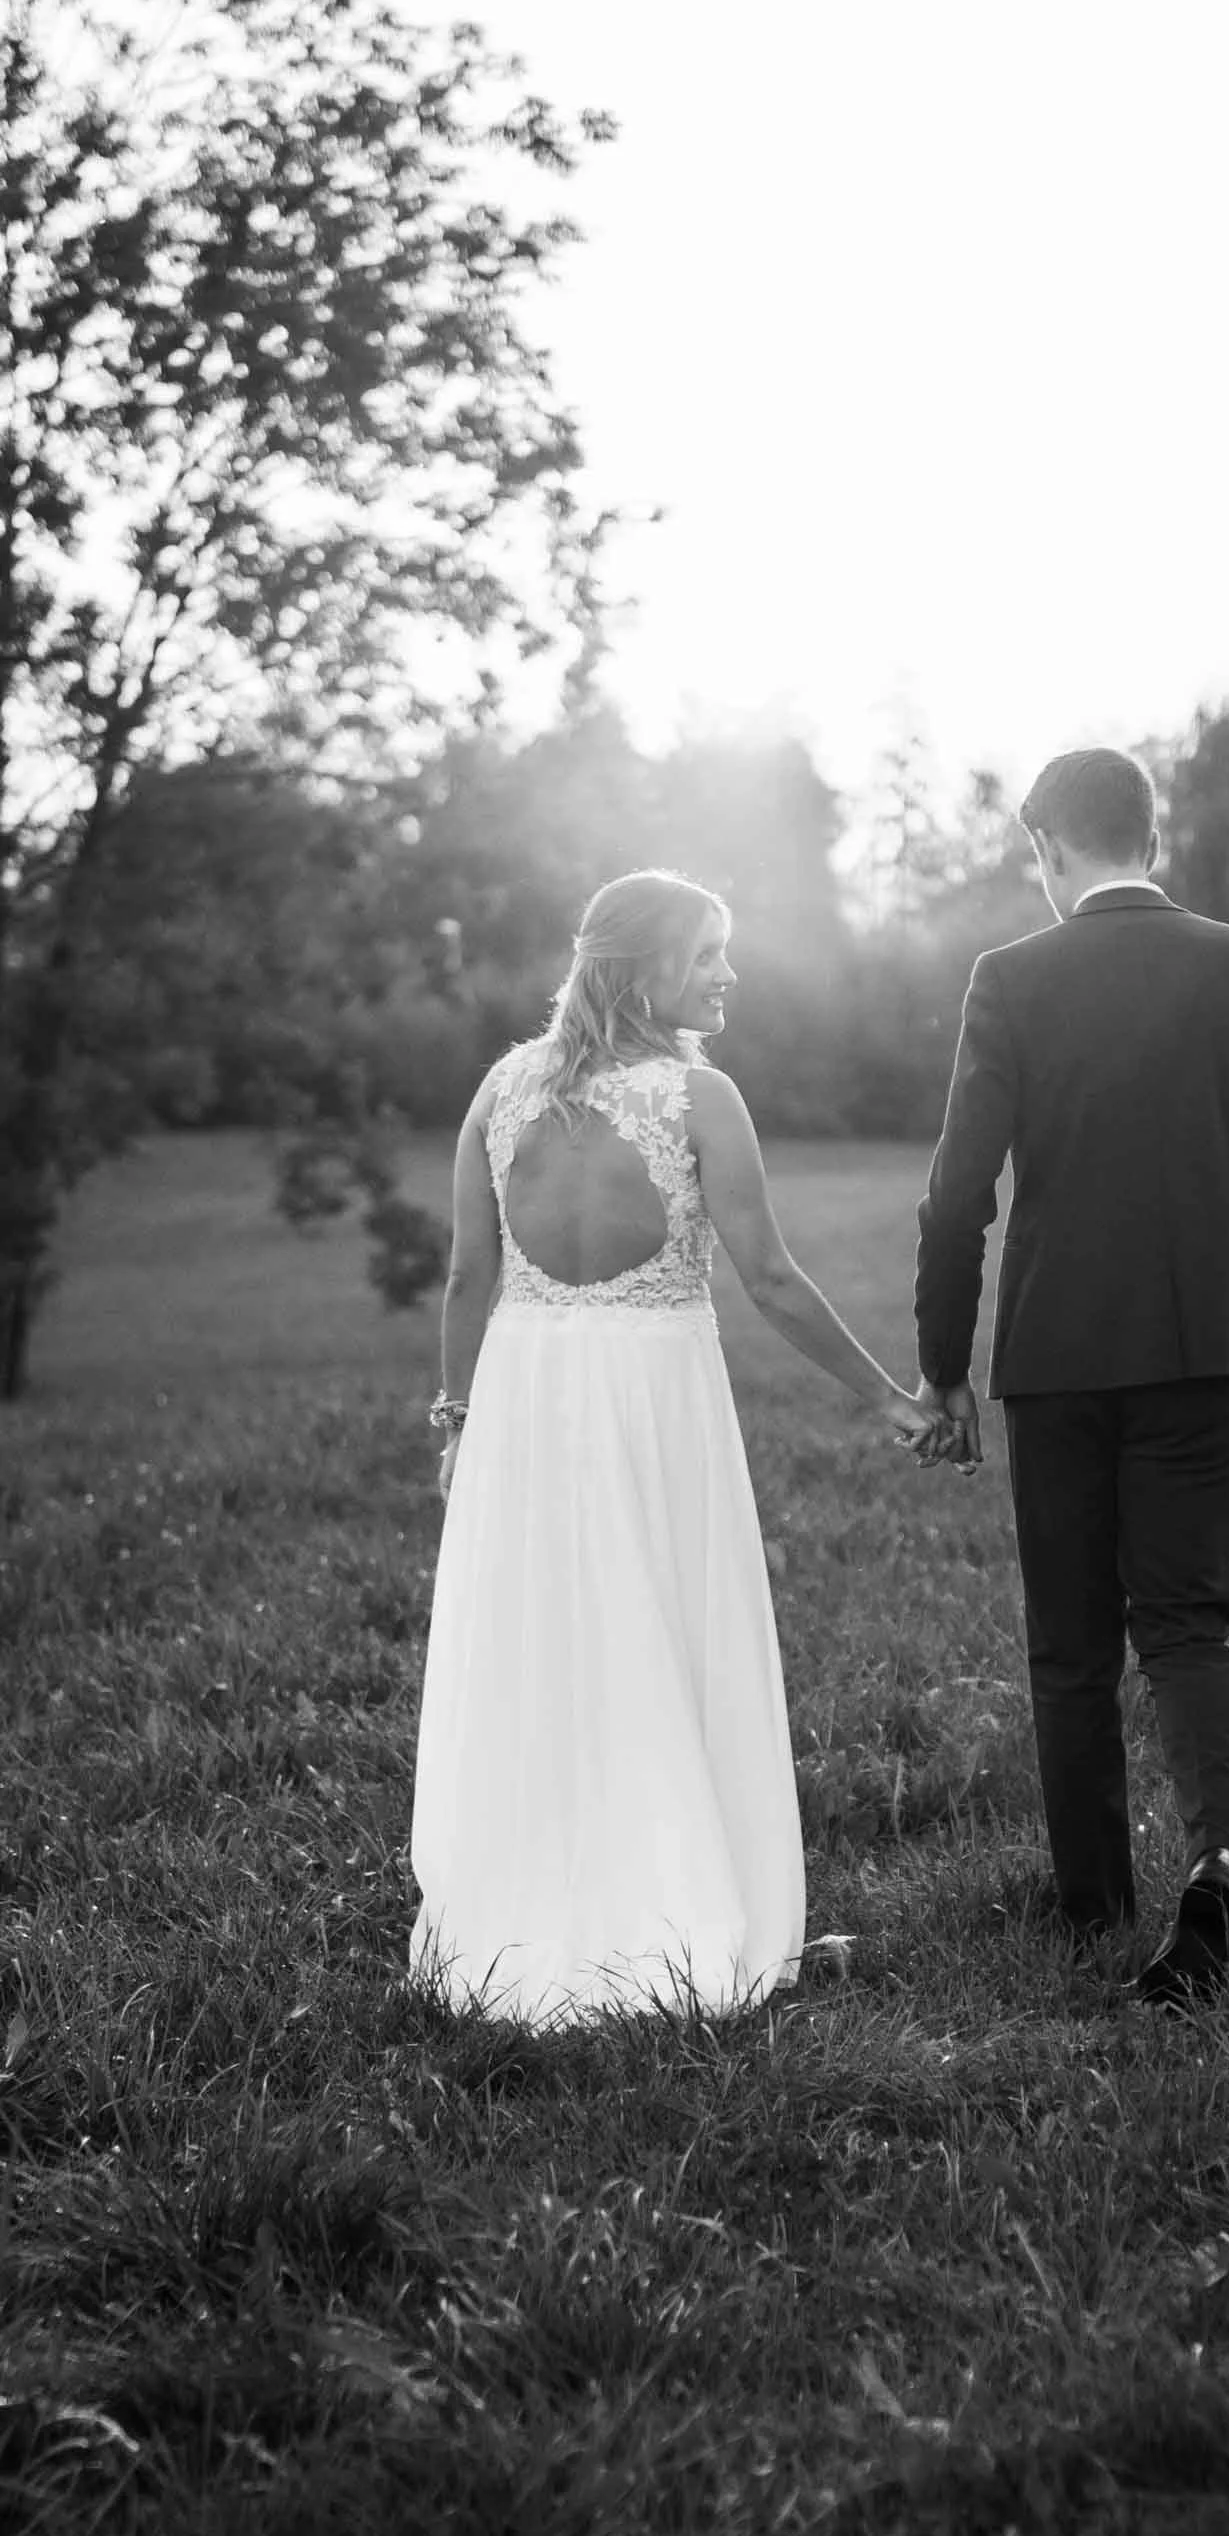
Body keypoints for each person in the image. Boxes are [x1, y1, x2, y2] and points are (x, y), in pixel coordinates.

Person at [410, 868, 943, 2027]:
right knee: (670, 1628)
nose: (729, 972)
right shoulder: (701, 1096)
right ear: (641, 965)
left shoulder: (499, 1090)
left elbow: (467, 1275)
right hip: (654, 1394)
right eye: (708, 952)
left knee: (546, 1644)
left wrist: (459, 1421)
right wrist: (889, 1397)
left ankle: (533, 1921)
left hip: (527, 1396)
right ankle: (700, 1919)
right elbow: (771, 1277)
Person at [914, 748, 1229, 2007]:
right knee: (1184, 1622)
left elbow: (957, 1200)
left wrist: (945, 1367)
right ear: (1150, 837)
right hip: (1207, 1347)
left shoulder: (1010, 977)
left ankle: (1093, 1908)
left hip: (1055, 1357)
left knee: (1070, 1644)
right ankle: (1215, 1863)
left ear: (1049, 848)